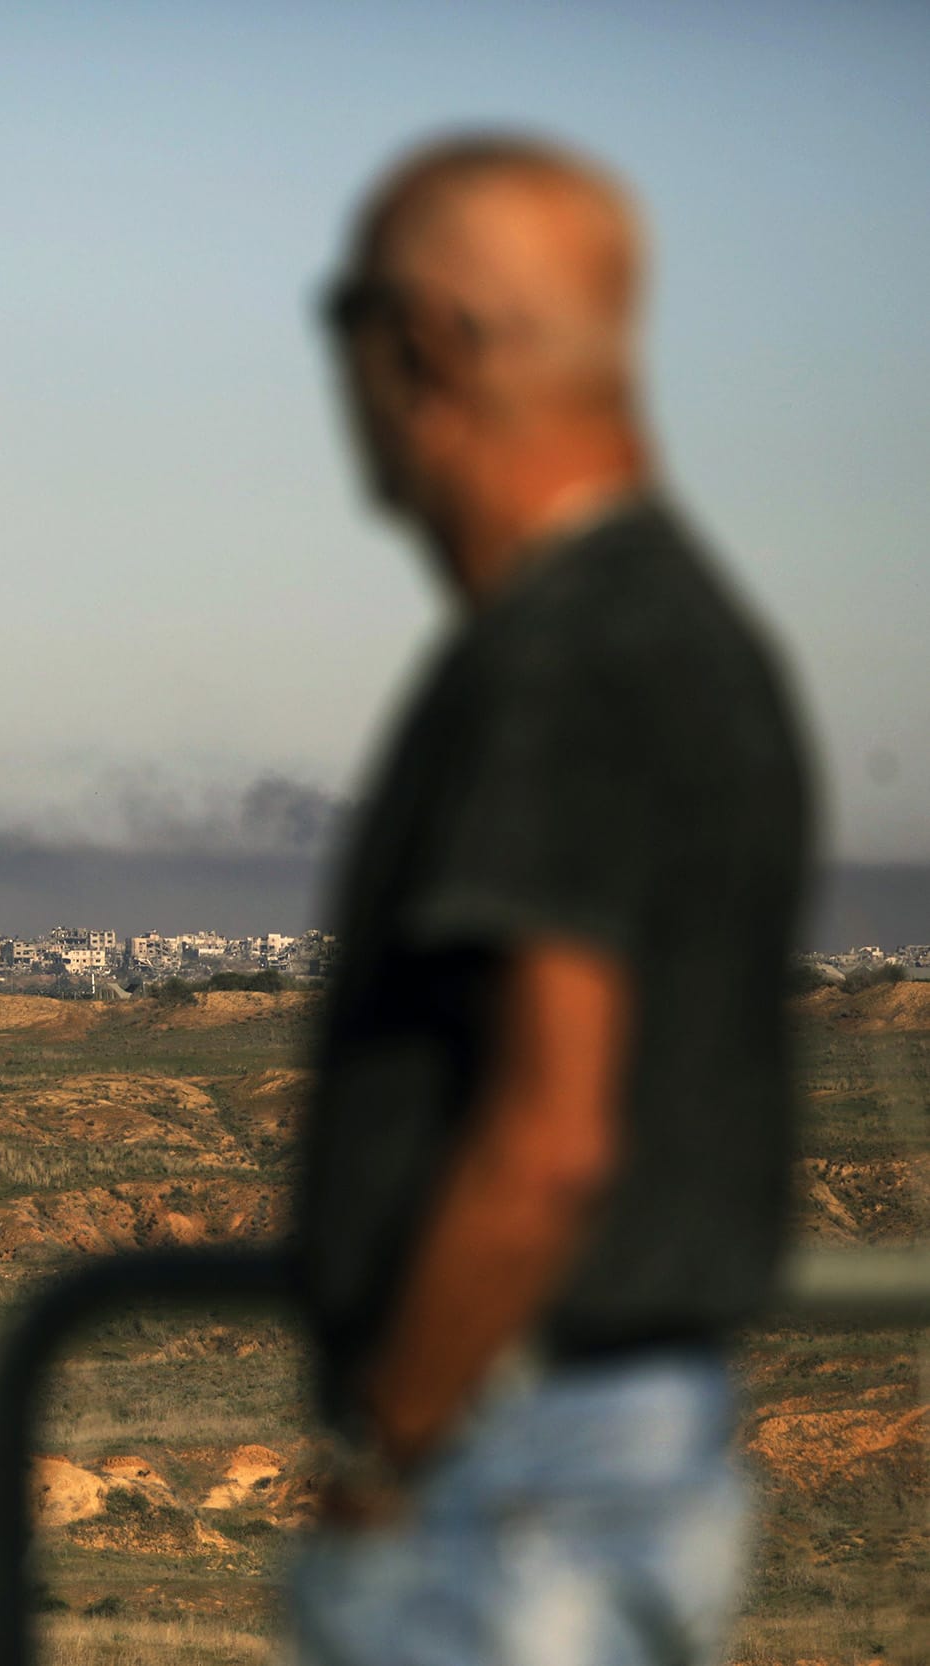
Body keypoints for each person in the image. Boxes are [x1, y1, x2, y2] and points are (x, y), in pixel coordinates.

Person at [292, 134, 812, 1666]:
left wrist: (390, 1444)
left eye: (348, 329)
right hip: (605, 1455)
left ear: (425, 343)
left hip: (508, 1480)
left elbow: (552, 1128)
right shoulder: (703, 637)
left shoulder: (566, 656)